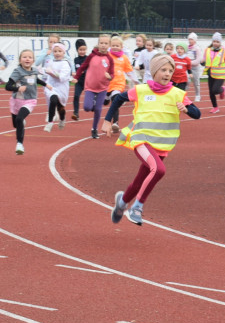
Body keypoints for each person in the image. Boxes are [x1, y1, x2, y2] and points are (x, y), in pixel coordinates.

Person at [104, 53, 200, 226]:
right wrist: (106, 121)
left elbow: (197, 114)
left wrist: (186, 109)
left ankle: (121, 203)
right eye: (163, 69)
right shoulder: (141, 91)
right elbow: (118, 99)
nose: (167, 73)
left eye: (170, 70)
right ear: (154, 71)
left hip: (162, 144)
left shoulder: (177, 94)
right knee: (159, 170)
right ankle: (137, 207)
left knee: (141, 179)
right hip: (141, 139)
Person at [5, 49, 47, 154]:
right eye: (24, 57)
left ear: (33, 60)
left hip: (30, 100)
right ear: (20, 60)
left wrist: (46, 85)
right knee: (16, 124)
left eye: (30, 57)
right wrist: (17, 89)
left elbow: (36, 79)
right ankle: (21, 121)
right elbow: (8, 86)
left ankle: (19, 144)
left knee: (19, 119)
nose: (27, 59)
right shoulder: (17, 71)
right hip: (16, 101)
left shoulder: (35, 71)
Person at [73, 33, 115, 139]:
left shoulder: (109, 59)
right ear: (98, 44)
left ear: (109, 45)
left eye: (106, 43)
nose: (103, 45)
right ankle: (93, 104)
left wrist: (109, 76)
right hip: (90, 86)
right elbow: (82, 67)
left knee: (98, 109)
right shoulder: (92, 56)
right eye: (101, 43)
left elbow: (112, 74)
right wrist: (77, 77)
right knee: (87, 107)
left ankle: (94, 129)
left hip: (102, 87)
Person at [41, 42, 73, 132]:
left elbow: (63, 77)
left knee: (60, 107)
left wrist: (52, 73)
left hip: (62, 87)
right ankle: (50, 122)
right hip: (51, 86)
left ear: (64, 53)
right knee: (53, 99)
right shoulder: (51, 62)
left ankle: (62, 119)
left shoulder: (65, 64)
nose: (57, 53)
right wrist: (42, 71)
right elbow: (46, 70)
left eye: (60, 51)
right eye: (55, 51)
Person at [105, 35, 135, 132]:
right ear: (110, 45)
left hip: (119, 83)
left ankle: (115, 123)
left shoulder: (124, 58)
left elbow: (129, 70)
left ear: (121, 47)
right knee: (105, 101)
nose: (115, 47)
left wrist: (135, 80)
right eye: (113, 45)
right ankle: (104, 99)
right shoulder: (107, 56)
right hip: (107, 83)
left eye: (117, 45)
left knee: (115, 100)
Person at [202, 32, 225, 114]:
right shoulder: (208, 50)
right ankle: (215, 107)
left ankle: (222, 89)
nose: (215, 43)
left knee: (215, 90)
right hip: (211, 73)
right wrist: (202, 62)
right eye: (214, 41)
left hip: (220, 75)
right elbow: (204, 60)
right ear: (212, 42)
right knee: (210, 92)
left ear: (220, 42)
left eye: (217, 42)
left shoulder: (224, 51)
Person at [70, 38, 88, 120]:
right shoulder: (75, 60)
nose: (82, 51)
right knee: (76, 96)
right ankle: (76, 113)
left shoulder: (88, 59)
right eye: (80, 49)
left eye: (84, 49)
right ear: (77, 50)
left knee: (90, 99)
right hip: (79, 82)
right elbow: (74, 70)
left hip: (88, 82)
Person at [186, 32, 202, 101]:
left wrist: (189, 62)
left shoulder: (197, 48)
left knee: (196, 82)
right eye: (189, 39)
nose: (190, 41)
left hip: (195, 68)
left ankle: (197, 95)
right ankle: (184, 93)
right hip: (188, 67)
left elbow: (198, 60)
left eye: (191, 39)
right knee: (186, 79)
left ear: (195, 40)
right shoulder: (186, 48)